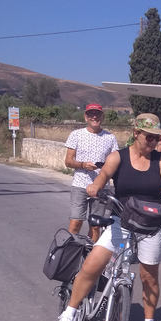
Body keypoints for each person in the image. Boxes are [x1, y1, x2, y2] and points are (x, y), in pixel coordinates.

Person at [53, 113, 161, 321]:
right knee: (93, 265)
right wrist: (95, 186)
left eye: (156, 137)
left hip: (150, 226)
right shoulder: (118, 156)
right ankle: (69, 314)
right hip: (121, 224)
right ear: (136, 134)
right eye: (149, 136)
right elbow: (103, 175)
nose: (153, 141)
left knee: (149, 277)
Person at [64, 103, 119, 240]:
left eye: (97, 114)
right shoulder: (76, 135)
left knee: (95, 225)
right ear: (85, 117)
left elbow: (115, 162)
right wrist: (83, 165)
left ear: (102, 116)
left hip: (101, 187)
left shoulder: (110, 138)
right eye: (91, 114)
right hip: (80, 185)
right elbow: (68, 161)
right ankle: (70, 252)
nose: (94, 117)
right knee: (76, 222)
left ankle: (90, 255)